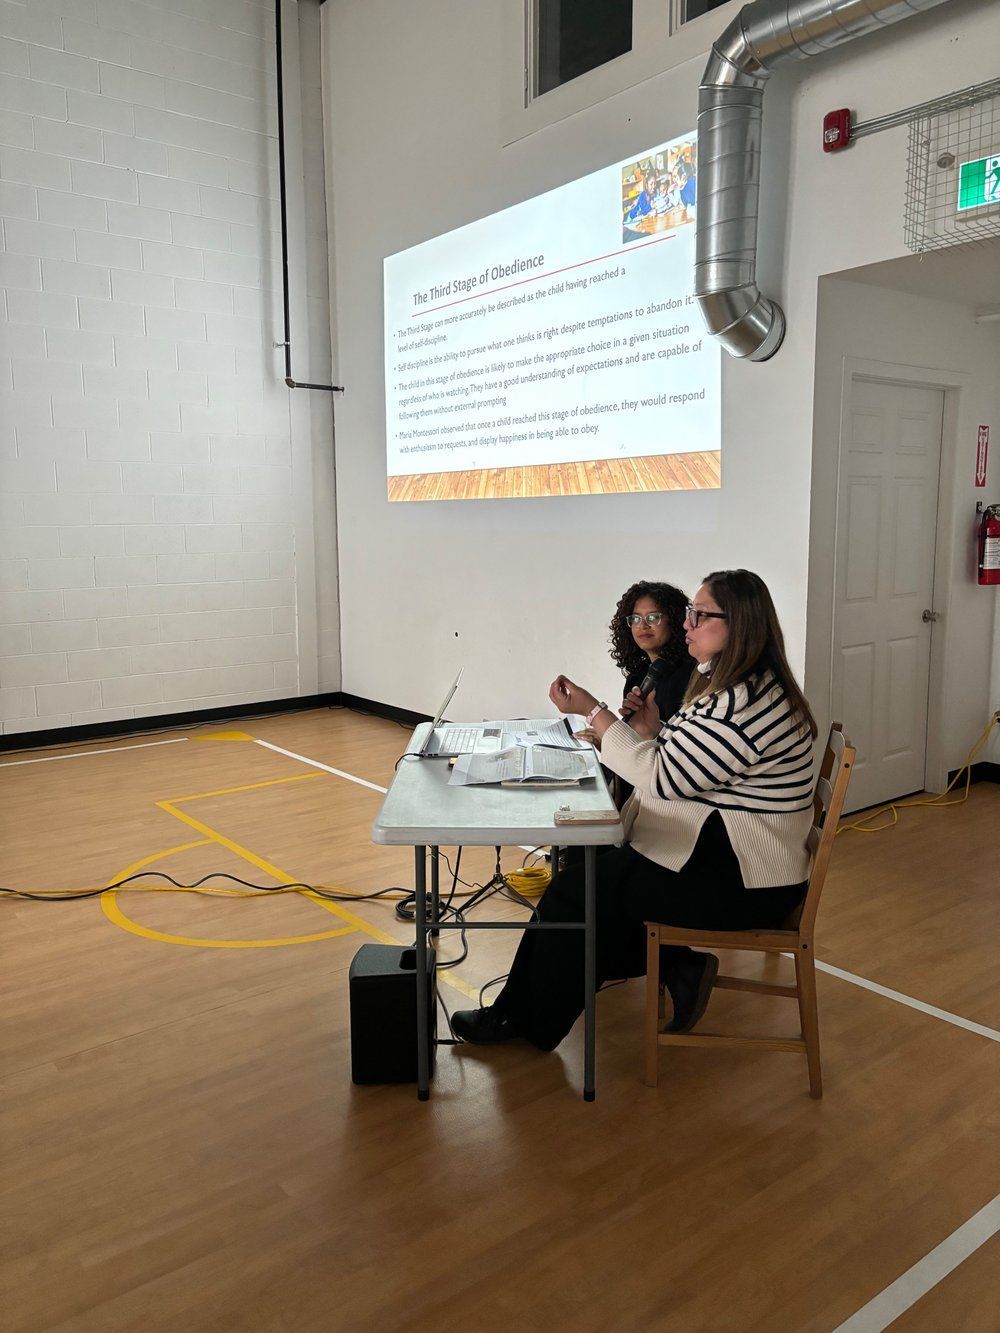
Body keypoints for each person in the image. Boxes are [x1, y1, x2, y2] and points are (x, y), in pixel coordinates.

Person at [451, 570, 818, 1051]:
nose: (687, 624)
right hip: (726, 856)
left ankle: (522, 1021)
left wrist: (594, 711)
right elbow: (690, 763)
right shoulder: (737, 686)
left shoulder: (743, 703)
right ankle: (664, 971)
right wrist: (651, 731)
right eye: (689, 614)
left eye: (699, 615)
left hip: (746, 882)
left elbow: (662, 777)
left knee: (575, 894)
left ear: (739, 625)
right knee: (588, 886)